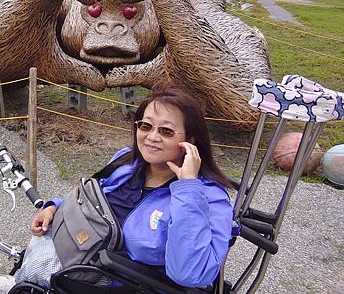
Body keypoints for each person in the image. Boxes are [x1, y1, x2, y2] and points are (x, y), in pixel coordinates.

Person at [16, 84, 233, 289]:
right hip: (79, 259)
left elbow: (189, 273)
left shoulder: (210, 197)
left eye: (166, 131)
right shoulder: (126, 162)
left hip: (118, 284)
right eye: (146, 126)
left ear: (191, 140)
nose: (152, 137)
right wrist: (54, 207)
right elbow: (94, 199)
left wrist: (188, 188)